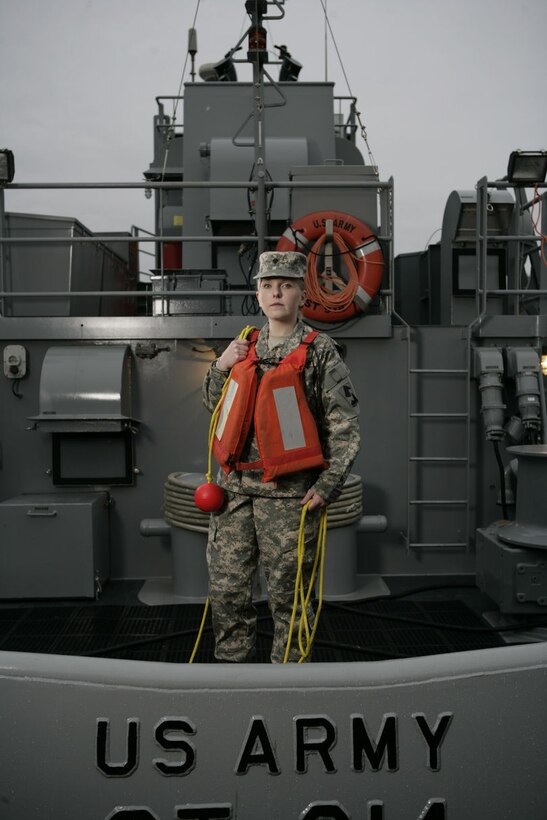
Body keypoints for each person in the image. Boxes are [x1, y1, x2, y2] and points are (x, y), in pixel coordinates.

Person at [202, 250, 360, 662]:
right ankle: (231, 681)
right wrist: (221, 364)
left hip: (288, 499)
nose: (276, 293)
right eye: (268, 286)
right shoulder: (242, 346)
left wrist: (327, 487)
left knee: (290, 601)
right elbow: (212, 405)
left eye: (286, 286)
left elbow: (344, 427)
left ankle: (289, 685)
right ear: (257, 295)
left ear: (301, 295)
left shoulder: (319, 350)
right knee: (227, 592)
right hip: (234, 494)